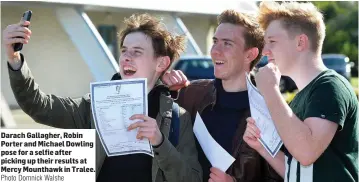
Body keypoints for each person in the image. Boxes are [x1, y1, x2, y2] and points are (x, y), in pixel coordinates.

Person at [4, 13, 202, 182]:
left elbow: (192, 178)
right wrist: (15, 61)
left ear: (161, 63)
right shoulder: (94, 105)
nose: (126, 57)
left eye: (137, 52)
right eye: (124, 50)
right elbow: (40, 107)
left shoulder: (178, 117)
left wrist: (160, 142)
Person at [243, 2, 358, 182]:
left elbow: (306, 152)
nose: (265, 52)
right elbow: (297, 171)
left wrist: (271, 90)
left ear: (300, 42)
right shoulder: (301, 97)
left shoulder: (330, 86)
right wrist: (262, 147)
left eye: (272, 41)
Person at [162, 10, 282, 182]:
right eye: (215, 41)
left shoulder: (270, 110)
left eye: (227, 44)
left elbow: (281, 177)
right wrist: (164, 89)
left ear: (250, 54)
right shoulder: (191, 93)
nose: (215, 51)